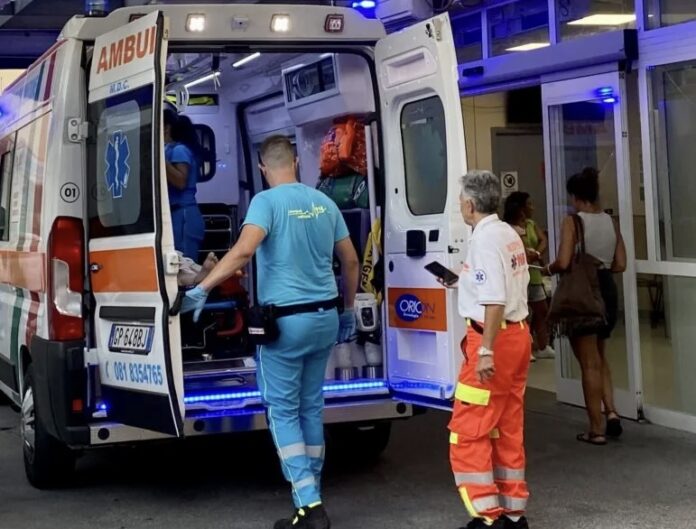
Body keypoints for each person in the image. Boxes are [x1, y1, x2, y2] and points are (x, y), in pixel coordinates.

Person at [181, 135, 360, 529]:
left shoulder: (265, 202)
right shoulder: (323, 202)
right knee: (311, 406)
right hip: (325, 319)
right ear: (296, 162)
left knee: (282, 411)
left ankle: (309, 505)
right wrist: (348, 309)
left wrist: (202, 288)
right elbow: (350, 261)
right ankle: (311, 495)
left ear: (263, 169)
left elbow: (244, 251)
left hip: (285, 325)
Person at [448, 170, 532, 529]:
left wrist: (484, 351)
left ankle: (486, 517)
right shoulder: (507, 233)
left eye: (460, 201)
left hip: (493, 339)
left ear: (470, 204)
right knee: (506, 427)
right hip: (517, 336)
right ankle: (513, 513)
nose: (460, 206)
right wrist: (463, 283)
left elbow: (494, 299)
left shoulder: (483, 240)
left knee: (468, 431)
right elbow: (501, 286)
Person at [545, 167, 626, 445]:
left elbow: (564, 261)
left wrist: (548, 268)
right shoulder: (610, 221)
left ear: (576, 197)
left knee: (589, 364)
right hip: (607, 290)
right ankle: (611, 412)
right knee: (600, 357)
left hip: (583, 295)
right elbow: (621, 263)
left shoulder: (573, 222)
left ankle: (596, 429)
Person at [503, 192, 554, 362]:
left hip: (534, 274)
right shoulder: (506, 228)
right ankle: (525, 347)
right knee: (522, 313)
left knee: (542, 310)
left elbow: (543, 240)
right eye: (529, 204)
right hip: (518, 276)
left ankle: (543, 346)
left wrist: (537, 253)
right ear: (520, 208)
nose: (532, 207)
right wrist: (525, 253)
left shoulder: (531, 224)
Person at [164, 109, 205, 261]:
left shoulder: (179, 150)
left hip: (184, 216)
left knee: (185, 265)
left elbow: (181, 181)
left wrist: (161, 160)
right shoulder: (172, 149)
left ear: (167, 127)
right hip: (179, 215)